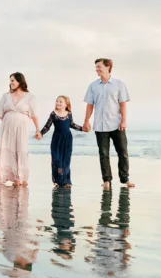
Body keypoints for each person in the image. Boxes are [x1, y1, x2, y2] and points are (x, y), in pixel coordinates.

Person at [82, 58, 135, 189]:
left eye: (99, 66)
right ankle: (107, 180)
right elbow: (90, 105)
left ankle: (125, 179)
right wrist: (86, 121)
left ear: (108, 67)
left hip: (117, 124)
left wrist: (123, 120)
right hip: (100, 125)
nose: (97, 69)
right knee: (103, 154)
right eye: (96, 67)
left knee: (122, 152)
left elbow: (122, 104)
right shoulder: (93, 86)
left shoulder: (119, 84)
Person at [0, 72, 41, 187]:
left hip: (22, 127)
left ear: (20, 81)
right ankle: (11, 176)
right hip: (7, 128)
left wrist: (38, 130)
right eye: (10, 80)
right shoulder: (6, 96)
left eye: (13, 80)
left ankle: (21, 177)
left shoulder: (30, 97)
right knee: (6, 148)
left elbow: (34, 114)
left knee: (20, 149)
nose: (11, 83)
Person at [40, 96, 85, 189]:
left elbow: (72, 124)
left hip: (67, 139)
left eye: (61, 102)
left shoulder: (69, 114)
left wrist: (82, 128)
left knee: (66, 160)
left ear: (66, 104)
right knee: (56, 159)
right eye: (57, 101)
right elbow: (47, 126)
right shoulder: (53, 114)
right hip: (56, 139)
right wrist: (41, 133)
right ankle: (57, 180)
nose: (58, 103)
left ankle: (66, 181)